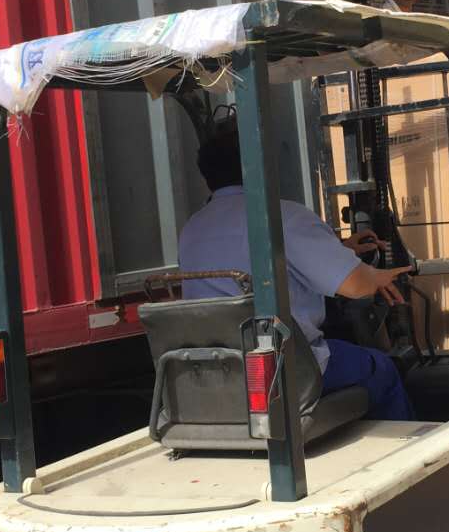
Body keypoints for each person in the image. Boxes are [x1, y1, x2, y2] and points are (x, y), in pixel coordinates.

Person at [178, 121, 416, 419]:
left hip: (220, 371)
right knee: (383, 369)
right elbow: (355, 285)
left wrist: (338, 249)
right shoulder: (283, 217)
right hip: (288, 370)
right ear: (260, 165)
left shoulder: (192, 229)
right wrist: (378, 277)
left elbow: (250, 256)